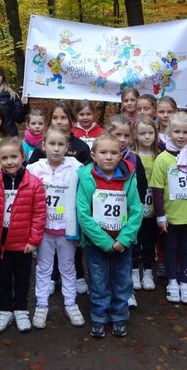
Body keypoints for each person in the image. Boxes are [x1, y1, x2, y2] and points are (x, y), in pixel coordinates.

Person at [76, 134, 143, 338]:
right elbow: (83, 214)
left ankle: (119, 315)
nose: (108, 157)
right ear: (94, 155)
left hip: (123, 242)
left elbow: (136, 210)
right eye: (103, 153)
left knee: (123, 280)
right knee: (98, 280)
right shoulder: (86, 178)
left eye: (114, 153)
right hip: (97, 243)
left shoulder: (129, 177)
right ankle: (99, 316)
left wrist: (124, 239)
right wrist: (104, 241)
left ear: (121, 155)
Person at [0, 137, 46, 333]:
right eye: (4, 158)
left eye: (14, 157)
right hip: (0, 244)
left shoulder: (34, 184)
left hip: (23, 244)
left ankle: (20, 309)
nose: (9, 162)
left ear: (23, 156)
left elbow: (39, 214)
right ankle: (5, 310)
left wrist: (34, 240)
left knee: (22, 278)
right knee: (2, 279)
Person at [27, 126, 84, 329]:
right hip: (43, 230)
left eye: (61, 144)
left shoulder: (77, 168)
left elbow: (83, 199)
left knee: (68, 268)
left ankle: (70, 302)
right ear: (43, 146)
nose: (56, 149)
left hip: (66, 230)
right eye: (52, 144)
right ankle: (41, 304)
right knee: (43, 268)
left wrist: (79, 230)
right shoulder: (33, 169)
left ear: (67, 147)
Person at [151, 112, 187, 305]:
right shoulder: (162, 159)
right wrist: (160, 216)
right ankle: (172, 281)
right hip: (171, 215)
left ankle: (185, 282)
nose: (181, 136)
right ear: (169, 133)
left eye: (185, 132)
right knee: (170, 248)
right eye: (177, 132)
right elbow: (157, 188)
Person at [105, 114, 148, 308]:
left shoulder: (135, 160)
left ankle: (126, 290)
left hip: (126, 217)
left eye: (125, 135)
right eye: (117, 135)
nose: (122, 140)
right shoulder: (100, 155)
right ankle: (103, 288)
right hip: (103, 217)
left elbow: (142, 187)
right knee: (103, 254)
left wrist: (132, 212)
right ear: (109, 134)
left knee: (126, 256)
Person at [131, 115, 161, 291]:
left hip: (153, 207)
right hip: (136, 207)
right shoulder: (132, 157)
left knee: (150, 240)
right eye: (143, 133)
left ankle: (148, 271)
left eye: (150, 133)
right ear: (135, 135)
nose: (147, 137)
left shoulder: (159, 156)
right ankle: (134, 270)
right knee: (135, 240)